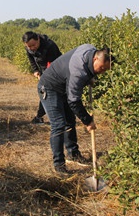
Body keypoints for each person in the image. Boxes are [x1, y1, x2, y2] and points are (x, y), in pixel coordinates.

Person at [38, 44, 116, 175]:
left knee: (70, 121)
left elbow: (86, 70)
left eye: (105, 70)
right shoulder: (78, 71)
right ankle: (59, 165)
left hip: (64, 86)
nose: (101, 71)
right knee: (58, 124)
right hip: (49, 87)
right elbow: (73, 101)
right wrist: (88, 121)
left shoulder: (90, 49)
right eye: (101, 68)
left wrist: (91, 76)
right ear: (95, 59)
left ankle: (73, 154)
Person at [22, 31, 62, 124]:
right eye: (29, 46)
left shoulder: (50, 46)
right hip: (44, 69)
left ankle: (60, 119)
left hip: (57, 69)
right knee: (45, 93)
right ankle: (40, 116)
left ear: (38, 39)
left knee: (50, 93)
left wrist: (45, 78)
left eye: (33, 45)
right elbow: (31, 58)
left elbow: (52, 63)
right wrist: (36, 70)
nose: (32, 48)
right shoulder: (29, 48)